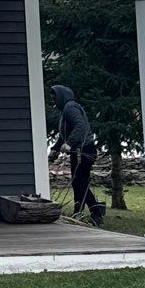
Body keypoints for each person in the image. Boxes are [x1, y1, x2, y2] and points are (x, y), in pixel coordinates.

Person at [50, 83, 105, 225]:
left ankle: (96, 211)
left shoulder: (71, 107)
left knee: (80, 182)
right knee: (77, 182)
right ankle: (78, 211)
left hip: (84, 150)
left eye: (54, 97)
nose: (53, 100)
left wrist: (70, 143)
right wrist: (55, 149)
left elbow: (80, 125)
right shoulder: (65, 110)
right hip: (78, 151)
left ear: (62, 96)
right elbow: (64, 134)